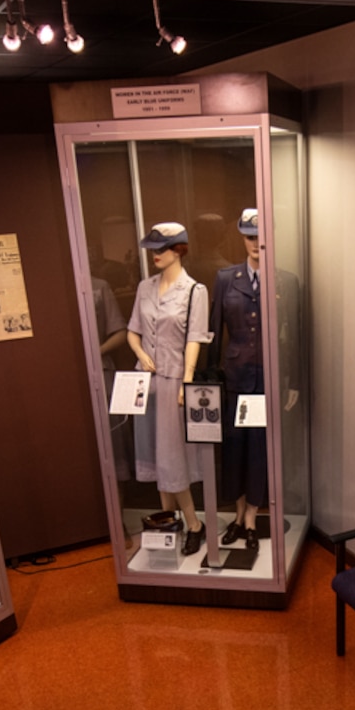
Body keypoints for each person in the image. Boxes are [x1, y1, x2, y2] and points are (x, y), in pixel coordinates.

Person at [126, 222, 212, 555]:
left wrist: (187, 381)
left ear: (179, 250)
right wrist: (140, 353)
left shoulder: (194, 291)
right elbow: (133, 330)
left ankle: (194, 523)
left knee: (173, 458)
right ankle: (170, 520)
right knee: (155, 454)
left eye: (161, 250)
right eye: (152, 250)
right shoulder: (145, 288)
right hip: (146, 383)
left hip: (175, 381)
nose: (155, 256)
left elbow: (195, 338)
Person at [212, 209, 268, 549]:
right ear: (242, 238)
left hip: (265, 380)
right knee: (233, 449)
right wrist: (209, 379)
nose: (256, 244)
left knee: (259, 450)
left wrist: (288, 383)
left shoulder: (282, 279)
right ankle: (236, 515)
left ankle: (252, 518)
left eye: (261, 238)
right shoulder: (225, 278)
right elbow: (215, 330)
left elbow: (291, 335)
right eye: (250, 237)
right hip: (234, 378)